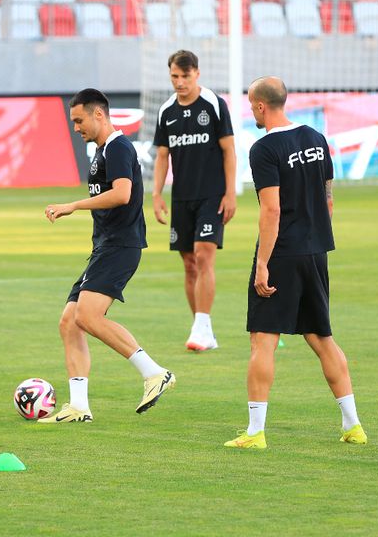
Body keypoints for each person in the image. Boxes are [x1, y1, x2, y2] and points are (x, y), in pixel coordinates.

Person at [224, 76, 366, 450]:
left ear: (260, 105)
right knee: (322, 338)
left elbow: (271, 210)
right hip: (316, 251)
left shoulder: (264, 148)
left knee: (263, 340)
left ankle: (255, 432)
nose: (251, 111)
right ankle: (353, 425)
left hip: (282, 253)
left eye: (251, 106)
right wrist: (313, 237)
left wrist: (263, 264)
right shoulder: (317, 139)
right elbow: (328, 199)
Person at [40, 88, 175, 423]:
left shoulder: (118, 147)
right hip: (104, 246)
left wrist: (73, 205)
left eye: (79, 120)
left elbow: (122, 193)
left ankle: (154, 372)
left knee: (87, 316)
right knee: (70, 321)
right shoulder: (102, 150)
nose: (76, 128)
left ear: (98, 114)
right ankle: (78, 406)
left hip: (121, 246)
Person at [151, 50, 236, 351]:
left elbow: (229, 150)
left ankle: (201, 327)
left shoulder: (213, 104)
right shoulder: (166, 111)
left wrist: (230, 192)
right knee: (189, 264)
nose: (180, 82)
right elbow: (163, 156)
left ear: (197, 74)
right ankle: (203, 330)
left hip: (212, 195)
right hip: (182, 198)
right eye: (174, 76)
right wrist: (157, 194)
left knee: (203, 255)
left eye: (185, 76)